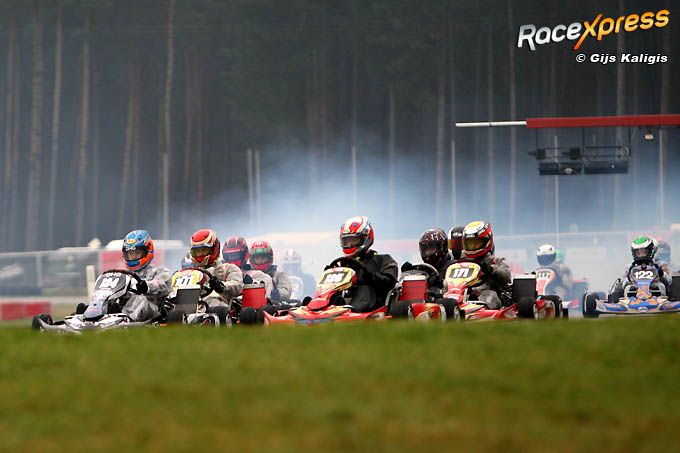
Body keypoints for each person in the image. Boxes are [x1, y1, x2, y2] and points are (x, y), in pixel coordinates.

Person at [336, 215, 398, 312]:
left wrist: (370, 277)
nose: (349, 244)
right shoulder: (344, 264)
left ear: (366, 237)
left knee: (364, 289)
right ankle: (317, 308)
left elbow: (389, 282)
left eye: (353, 240)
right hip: (345, 302)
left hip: (373, 305)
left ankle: (352, 310)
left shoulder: (383, 259)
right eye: (346, 241)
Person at [119, 229, 172, 322]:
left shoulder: (160, 271)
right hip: (127, 307)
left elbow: (162, 284)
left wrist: (146, 286)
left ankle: (125, 321)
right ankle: (98, 319)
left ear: (147, 251)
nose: (133, 257)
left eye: (136, 253)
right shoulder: (124, 275)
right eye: (130, 254)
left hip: (153, 310)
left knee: (140, 298)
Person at [460, 220, 512, 309]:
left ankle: (481, 309)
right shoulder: (461, 261)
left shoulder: (495, 261)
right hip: (465, 293)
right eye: (470, 243)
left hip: (487, 293)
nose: (472, 247)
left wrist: (491, 269)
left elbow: (506, 276)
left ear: (487, 241)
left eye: (476, 243)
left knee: (489, 297)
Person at [189, 229, 243, 308]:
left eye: (203, 250)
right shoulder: (191, 273)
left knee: (212, 302)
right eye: (197, 251)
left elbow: (237, 285)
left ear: (214, 249)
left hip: (221, 307)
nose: (200, 254)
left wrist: (221, 286)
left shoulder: (229, 268)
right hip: (194, 306)